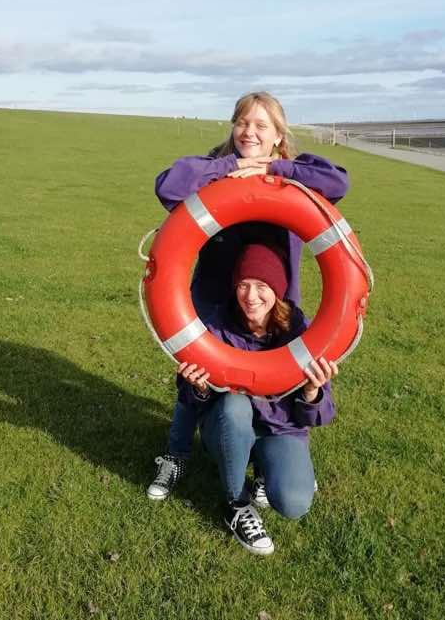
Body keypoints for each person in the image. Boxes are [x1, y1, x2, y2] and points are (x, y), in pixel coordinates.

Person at [148, 91, 347, 500]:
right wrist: (230, 168)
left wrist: (273, 168)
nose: (249, 131)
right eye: (242, 122)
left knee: (276, 379)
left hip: (272, 301)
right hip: (210, 301)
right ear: (232, 127)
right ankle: (177, 454)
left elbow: (338, 182)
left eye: (261, 125)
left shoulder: (293, 175)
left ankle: (270, 461)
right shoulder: (214, 168)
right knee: (196, 378)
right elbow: (169, 187)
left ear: (278, 134)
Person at [159, 244, 338, 555]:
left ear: (278, 290)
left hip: (278, 430)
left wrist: (312, 393)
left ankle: (268, 474)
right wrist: (197, 386)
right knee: (234, 405)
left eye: (261, 286)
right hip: (228, 428)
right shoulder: (217, 324)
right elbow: (190, 398)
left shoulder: (299, 331)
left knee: (295, 502)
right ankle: (237, 504)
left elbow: (322, 414)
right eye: (243, 285)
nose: (250, 296)